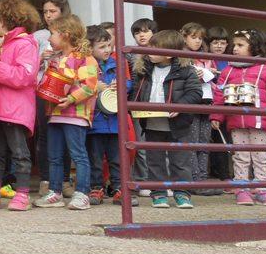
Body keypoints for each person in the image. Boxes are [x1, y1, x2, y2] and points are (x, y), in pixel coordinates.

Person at [0, 0, 41, 212]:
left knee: (19, 152)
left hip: (15, 110)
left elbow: (24, 76)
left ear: (5, 21)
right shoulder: (0, 45)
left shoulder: (25, 44)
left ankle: (22, 193)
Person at [211, 29, 266, 207]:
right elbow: (219, 95)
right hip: (236, 123)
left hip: (262, 122)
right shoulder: (228, 70)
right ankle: (242, 189)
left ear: (254, 46)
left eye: (240, 45)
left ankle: (262, 189)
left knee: (261, 156)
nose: (234, 48)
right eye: (234, 45)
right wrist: (216, 115)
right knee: (241, 156)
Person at [33, 15, 98, 210]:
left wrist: (70, 99)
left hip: (76, 115)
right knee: (54, 155)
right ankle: (55, 192)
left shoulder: (85, 59)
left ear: (66, 35)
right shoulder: (55, 58)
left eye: (52, 34)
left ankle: (82, 193)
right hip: (55, 114)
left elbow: (90, 87)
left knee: (78, 155)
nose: (49, 38)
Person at [132, 30, 202, 209]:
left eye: (155, 49)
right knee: (154, 160)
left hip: (178, 124)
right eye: (150, 48)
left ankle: (182, 194)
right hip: (151, 122)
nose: (150, 52)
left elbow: (195, 93)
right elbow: (135, 91)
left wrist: (179, 107)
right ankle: (158, 194)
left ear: (170, 53)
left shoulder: (186, 70)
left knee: (180, 161)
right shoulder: (143, 69)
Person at [85, 26, 138, 207]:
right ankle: (96, 187)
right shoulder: (87, 65)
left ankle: (119, 189)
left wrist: (121, 85)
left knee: (117, 158)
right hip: (95, 121)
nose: (107, 49)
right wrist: (95, 86)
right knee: (96, 158)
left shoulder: (118, 63)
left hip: (115, 121)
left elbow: (130, 83)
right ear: (89, 48)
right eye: (102, 47)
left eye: (108, 45)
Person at [34, 0, 71, 197]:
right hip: (41, 89)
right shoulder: (38, 36)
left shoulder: (72, 34)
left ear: (62, 11)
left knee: (65, 134)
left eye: (53, 11)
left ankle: (65, 180)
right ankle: (46, 179)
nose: (48, 15)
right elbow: (28, 65)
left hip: (65, 91)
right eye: (45, 11)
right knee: (44, 136)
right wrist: (41, 58)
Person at [181, 22, 219, 195]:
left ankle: (203, 178)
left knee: (204, 142)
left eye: (200, 38)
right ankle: (194, 180)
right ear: (184, 37)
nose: (197, 41)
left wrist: (210, 73)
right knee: (193, 142)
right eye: (193, 37)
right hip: (191, 103)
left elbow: (216, 80)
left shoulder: (207, 57)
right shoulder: (179, 56)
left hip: (207, 101)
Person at [129, 17, 158, 196]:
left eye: (145, 31)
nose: (141, 35)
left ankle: (161, 181)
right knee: (140, 144)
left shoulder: (162, 53)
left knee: (160, 144)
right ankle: (143, 181)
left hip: (158, 103)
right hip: (138, 103)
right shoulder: (130, 54)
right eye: (137, 32)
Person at [208, 26, 232, 182]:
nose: (219, 46)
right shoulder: (205, 58)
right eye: (215, 42)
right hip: (209, 101)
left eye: (222, 43)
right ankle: (212, 172)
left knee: (223, 139)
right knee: (208, 139)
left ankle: (224, 174)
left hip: (226, 103)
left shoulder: (230, 60)